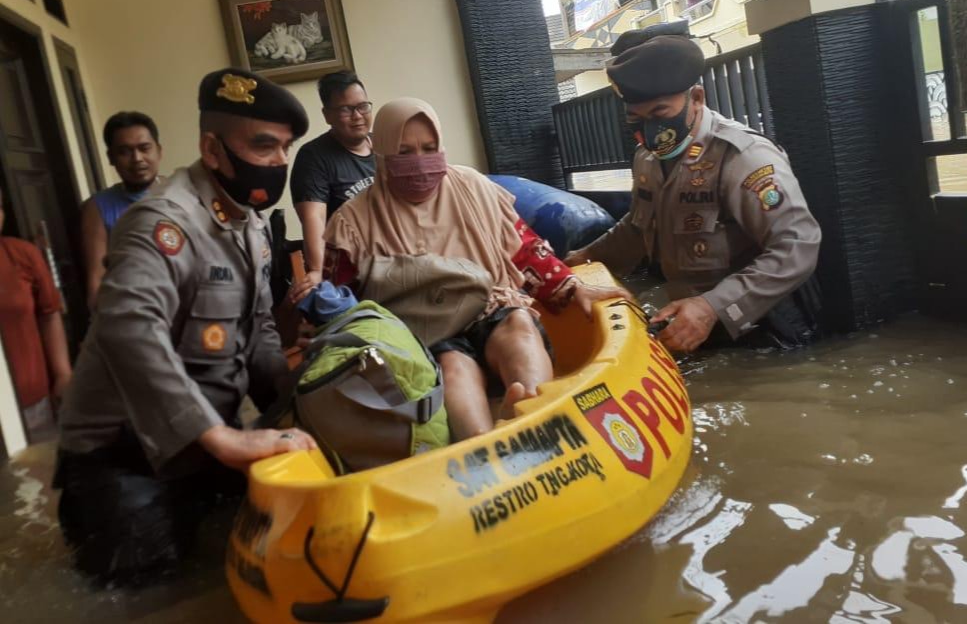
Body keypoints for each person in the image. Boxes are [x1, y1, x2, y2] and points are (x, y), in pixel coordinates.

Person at [55, 67, 318, 586]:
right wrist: (224, 440)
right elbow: (127, 326)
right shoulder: (162, 223)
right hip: (123, 458)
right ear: (212, 148)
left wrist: (298, 401)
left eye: (285, 148)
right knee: (153, 590)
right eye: (264, 146)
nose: (279, 163)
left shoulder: (252, 225)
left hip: (201, 441)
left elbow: (261, 327)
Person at [323, 98, 631, 441]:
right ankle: (484, 445)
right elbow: (341, 301)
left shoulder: (474, 188)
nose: (420, 163)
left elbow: (524, 249)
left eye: (429, 148)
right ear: (380, 155)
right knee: (453, 369)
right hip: (424, 330)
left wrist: (572, 286)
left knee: (519, 326)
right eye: (404, 152)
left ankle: (537, 424)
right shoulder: (352, 223)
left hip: (491, 306)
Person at [565, 35, 822, 353]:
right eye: (636, 119)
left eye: (660, 114)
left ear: (697, 97)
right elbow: (637, 227)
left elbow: (798, 246)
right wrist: (577, 261)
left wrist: (712, 307)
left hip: (767, 326)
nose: (650, 130)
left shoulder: (743, 157)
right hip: (692, 319)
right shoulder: (648, 157)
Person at [288, 71, 376, 305]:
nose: (358, 116)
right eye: (346, 109)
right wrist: (316, 270)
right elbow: (314, 217)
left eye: (363, 106)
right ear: (327, 115)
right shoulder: (314, 157)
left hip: (396, 251)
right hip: (351, 267)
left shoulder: (386, 146)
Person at [0, 188, 72, 438]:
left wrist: (63, 373)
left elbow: (50, 315)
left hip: (34, 403)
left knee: (41, 472)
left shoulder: (21, 254)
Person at [80, 111, 163, 310]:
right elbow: (96, 278)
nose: (137, 159)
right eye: (125, 151)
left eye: (144, 148)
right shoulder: (98, 207)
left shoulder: (184, 194)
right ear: (111, 157)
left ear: (159, 151)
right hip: (134, 310)